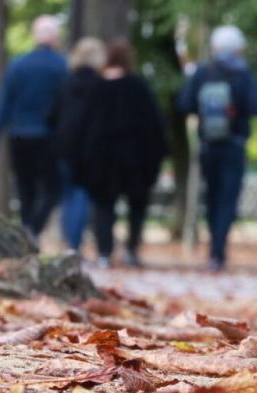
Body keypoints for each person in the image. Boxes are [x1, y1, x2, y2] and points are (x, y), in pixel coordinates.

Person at [75, 38, 169, 268]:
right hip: (135, 160)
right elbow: (155, 126)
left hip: (103, 161)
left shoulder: (96, 88)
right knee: (137, 205)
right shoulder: (138, 86)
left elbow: (84, 127)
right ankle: (131, 249)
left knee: (103, 207)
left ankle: (104, 252)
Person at [178, 25, 257, 271]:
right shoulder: (244, 74)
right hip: (234, 144)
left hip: (208, 146)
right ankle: (218, 250)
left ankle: (213, 248)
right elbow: (256, 107)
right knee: (228, 197)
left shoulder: (203, 73)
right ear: (238, 48)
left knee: (213, 197)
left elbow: (184, 103)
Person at [0, 15, 67, 241]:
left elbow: (3, 105)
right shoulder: (62, 67)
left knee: (25, 188)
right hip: (48, 137)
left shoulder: (17, 66)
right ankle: (34, 229)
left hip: (19, 135)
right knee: (53, 188)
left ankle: (28, 229)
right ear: (54, 37)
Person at [50, 38, 107, 252]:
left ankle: (69, 242)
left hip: (65, 147)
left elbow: (54, 115)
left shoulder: (67, 82)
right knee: (81, 196)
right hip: (89, 150)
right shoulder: (99, 85)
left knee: (67, 196)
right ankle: (74, 243)